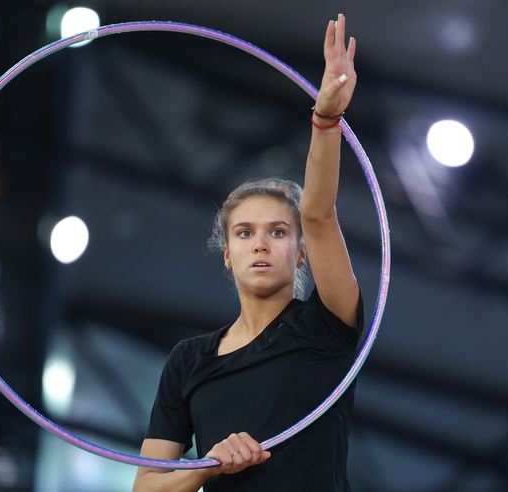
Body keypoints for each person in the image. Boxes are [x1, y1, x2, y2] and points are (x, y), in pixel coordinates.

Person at [133, 14, 362, 491]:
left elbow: (319, 214)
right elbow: (146, 488)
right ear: (227, 255)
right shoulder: (188, 361)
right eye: (244, 233)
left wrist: (326, 119)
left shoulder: (327, 325)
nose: (260, 242)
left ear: (302, 253)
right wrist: (205, 465)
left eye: (278, 232)